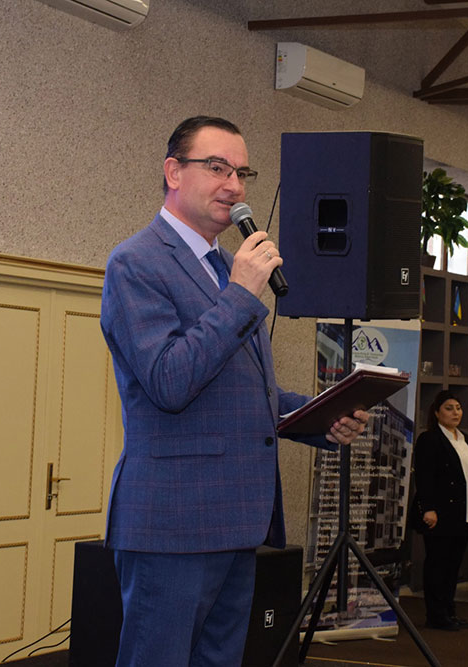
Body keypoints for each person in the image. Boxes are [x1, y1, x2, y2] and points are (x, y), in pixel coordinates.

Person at [100, 115, 369, 667]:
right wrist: (242, 295)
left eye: (242, 173)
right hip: (173, 526)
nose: (234, 186)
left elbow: (246, 393)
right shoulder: (136, 263)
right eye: (218, 168)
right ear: (174, 172)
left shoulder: (226, 267)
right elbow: (170, 381)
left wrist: (322, 416)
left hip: (236, 522)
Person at [412, 390, 468, 631]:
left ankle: (449, 610)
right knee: (438, 564)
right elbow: (424, 476)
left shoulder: (464, 439)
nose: (455, 413)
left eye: (458, 408)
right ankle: (436, 615)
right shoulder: (430, 439)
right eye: (449, 408)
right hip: (440, 512)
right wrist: (428, 508)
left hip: (464, 513)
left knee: (453, 565)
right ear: (436, 413)